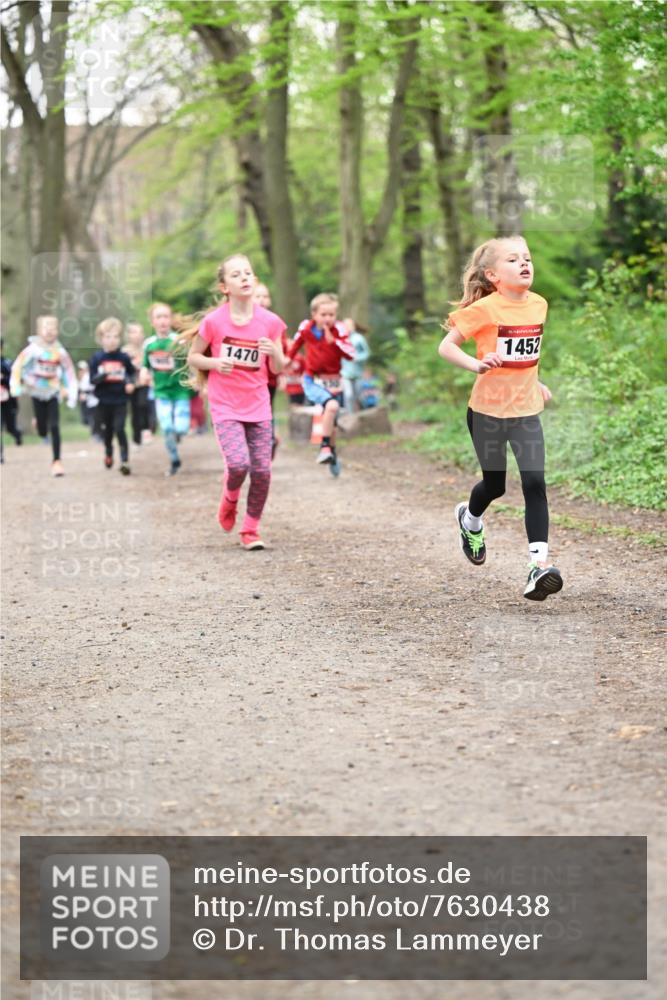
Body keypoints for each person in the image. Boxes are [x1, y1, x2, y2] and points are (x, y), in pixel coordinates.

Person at [438, 234, 563, 602]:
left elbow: (527, 353)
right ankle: (470, 519)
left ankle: (538, 567)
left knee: (535, 484)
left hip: (526, 411)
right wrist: (477, 364)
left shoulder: (538, 304)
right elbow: (446, 347)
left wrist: (535, 381)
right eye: (513, 260)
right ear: (493, 275)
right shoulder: (485, 309)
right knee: (495, 485)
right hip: (487, 412)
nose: (524, 264)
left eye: (527, 258)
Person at [185, 254, 286, 550]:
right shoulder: (214, 322)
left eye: (248, 273)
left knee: (263, 470)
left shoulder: (270, 322)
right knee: (239, 464)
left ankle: (250, 530)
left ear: (254, 280)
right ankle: (229, 500)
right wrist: (216, 362)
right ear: (224, 286)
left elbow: (279, 367)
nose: (244, 278)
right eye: (236, 274)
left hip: (258, 405)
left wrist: (274, 353)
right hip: (225, 404)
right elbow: (194, 356)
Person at [287, 293, 355, 467]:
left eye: (331, 315)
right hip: (312, 379)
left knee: (331, 421)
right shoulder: (306, 328)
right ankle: (324, 448)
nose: (327, 319)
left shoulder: (339, 330)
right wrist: (287, 361)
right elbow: (294, 346)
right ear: (314, 315)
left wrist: (335, 343)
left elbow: (351, 355)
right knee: (331, 407)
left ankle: (331, 454)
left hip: (334, 380)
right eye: (323, 315)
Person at [10, 315, 77, 476]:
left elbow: (69, 372)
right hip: (36, 392)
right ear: (39, 331)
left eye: (53, 327)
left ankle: (57, 461)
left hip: (53, 392)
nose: (50, 330)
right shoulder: (33, 350)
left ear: (57, 331)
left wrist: (71, 392)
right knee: (42, 430)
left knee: (54, 426)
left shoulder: (60, 352)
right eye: (46, 327)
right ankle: (39, 425)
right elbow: (17, 366)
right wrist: (16, 386)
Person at [141, 303, 194, 476]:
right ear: (152, 322)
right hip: (161, 392)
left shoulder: (178, 341)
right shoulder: (149, 344)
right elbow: (145, 366)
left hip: (180, 391)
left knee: (180, 428)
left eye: (166, 316)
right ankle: (174, 460)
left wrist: (194, 379)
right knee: (167, 428)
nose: (163, 321)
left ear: (171, 320)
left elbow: (190, 363)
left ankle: (179, 435)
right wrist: (144, 375)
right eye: (158, 317)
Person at [89, 317, 136, 475]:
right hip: (103, 400)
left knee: (120, 428)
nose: (112, 340)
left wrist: (130, 383)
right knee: (108, 431)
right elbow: (92, 380)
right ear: (101, 339)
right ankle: (108, 453)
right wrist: (103, 375)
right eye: (108, 337)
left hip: (120, 400)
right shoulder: (97, 358)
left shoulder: (123, 358)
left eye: (115, 336)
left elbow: (130, 374)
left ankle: (125, 461)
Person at [252, 279, 287, 458]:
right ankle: (258, 445)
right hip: (249, 378)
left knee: (267, 411)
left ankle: (270, 440)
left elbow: (283, 350)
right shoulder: (244, 322)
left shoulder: (274, 322)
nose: (262, 300)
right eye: (258, 296)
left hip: (270, 377)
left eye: (265, 296)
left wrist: (282, 374)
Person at [123, 322, 153, 445]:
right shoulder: (125, 351)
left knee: (144, 405)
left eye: (140, 332)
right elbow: (123, 370)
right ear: (129, 335)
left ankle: (146, 430)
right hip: (131, 385)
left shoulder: (147, 348)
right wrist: (126, 383)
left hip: (144, 383)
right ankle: (136, 438)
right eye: (134, 332)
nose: (137, 335)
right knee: (134, 411)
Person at [341, 317, 371, 412]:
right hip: (344, 373)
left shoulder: (359, 339)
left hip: (357, 373)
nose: (347, 328)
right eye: (345, 326)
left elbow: (366, 353)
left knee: (359, 396)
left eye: (349, 325)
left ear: (354, 327)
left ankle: (362, 415)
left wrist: (357, 358)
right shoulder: (340, 339)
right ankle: (350, 418)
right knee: (348, 395)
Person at [1, 340, 22, 457]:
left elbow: (14, 380)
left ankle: (17, 434)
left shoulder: (7, 364)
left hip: (7, 401)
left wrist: (3, 378)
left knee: (10, 427)